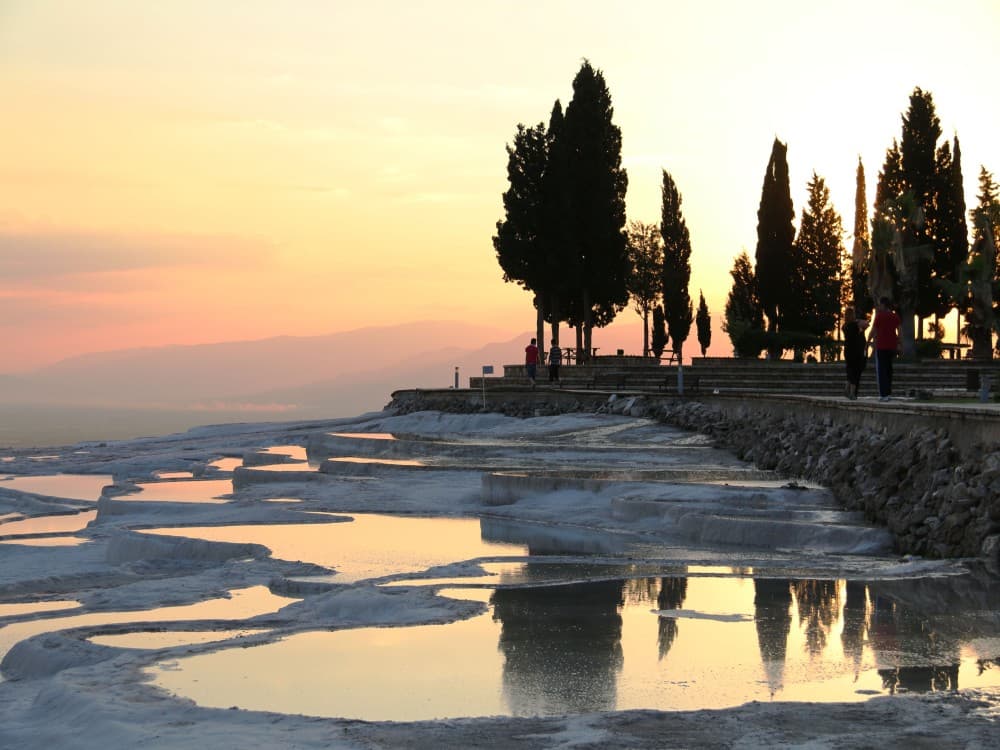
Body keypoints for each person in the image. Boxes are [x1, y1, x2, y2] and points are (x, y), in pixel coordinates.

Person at [867, 297, 901, 402]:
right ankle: (888, 393)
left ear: (883, 305)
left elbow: (874, 329)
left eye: (880, 304)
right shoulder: (895, 316)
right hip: (892, 346)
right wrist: (900, 344)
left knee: (881, 370)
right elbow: (900, 331)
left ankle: (883, 394)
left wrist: (868, 340)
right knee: (889, 369)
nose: (879, 306)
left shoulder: (879, 316)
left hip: (881, 346)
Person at [842, 308, 868, 400]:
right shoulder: (855, 325)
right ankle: (852, 393)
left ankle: (847, 389)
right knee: (856, 371)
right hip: (857, 351)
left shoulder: (845, 326)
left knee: (850, 369)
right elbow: (866, 324)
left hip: (848, 350)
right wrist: (859, 321)